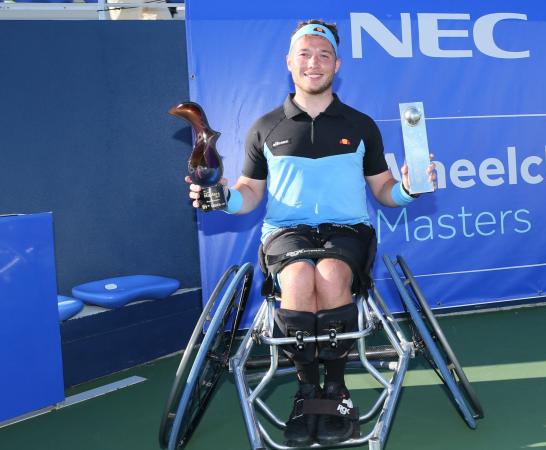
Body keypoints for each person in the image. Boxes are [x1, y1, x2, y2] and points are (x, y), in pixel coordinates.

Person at [185, 19, 436, 447]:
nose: (313, 63)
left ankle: (335, 391)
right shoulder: (265, 127)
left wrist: (410, 189)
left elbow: (383, 191)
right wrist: (223, 197)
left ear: (336, 64)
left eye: (323, 55)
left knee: (332, 275)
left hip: (348, 231)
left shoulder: (360, 125)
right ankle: (305, 391)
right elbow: (248, 193)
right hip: (286, 232)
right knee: (300, 278)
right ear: (290, 62)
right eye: (304, 54)